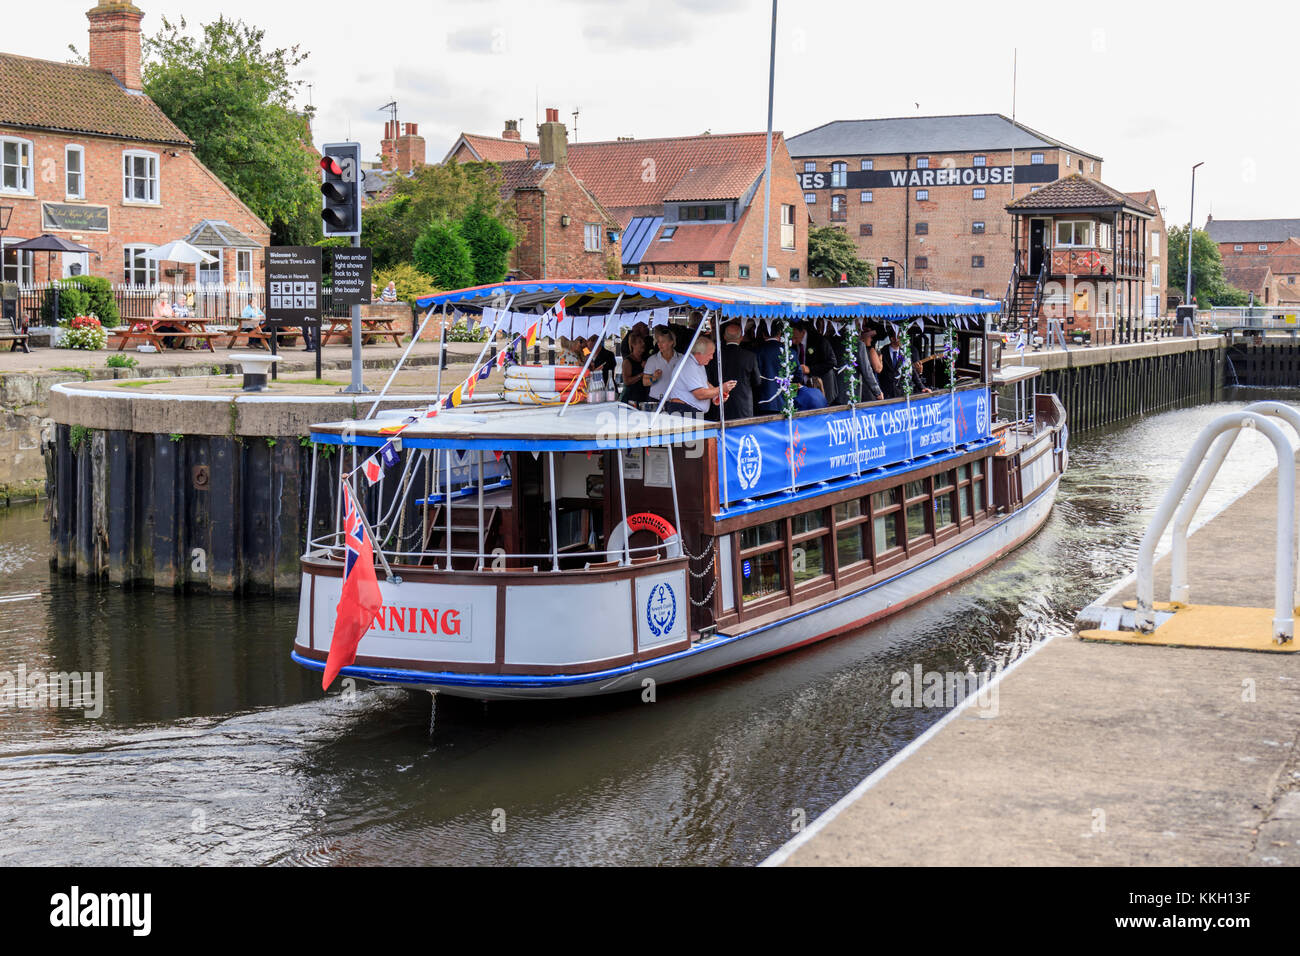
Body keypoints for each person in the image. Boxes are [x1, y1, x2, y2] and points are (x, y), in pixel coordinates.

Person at [664, 338, 733, 415]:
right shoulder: (689, 365)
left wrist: (716, 395)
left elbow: (704, 382)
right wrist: (721, 389)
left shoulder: (698, 363)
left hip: (689, 410)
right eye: (710, 354)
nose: (712, 357)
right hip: (684, 410)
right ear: (699, 353)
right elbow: (700, 394)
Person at [716, 320, 760, 420]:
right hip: (743, 404)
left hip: (720, 401)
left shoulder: (715, 356)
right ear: (741, 338)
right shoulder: (750, 356)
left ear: (724, 337)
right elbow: (757, 381)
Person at [791, 322, 838, 405]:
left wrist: (810, 369)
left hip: (822, 384)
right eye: (791, 338)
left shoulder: (819, 341)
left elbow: (832, 362)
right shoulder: (793, 345)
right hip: (804, 386)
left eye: (795, 337)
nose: (793, 341)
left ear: (803, 332)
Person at [755, 320, 786, 414]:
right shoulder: (790, 351)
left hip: (763, 401)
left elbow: (756, 378)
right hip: (786, 401)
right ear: (780, 333)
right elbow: (798, 376)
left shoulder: (757, 352)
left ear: (763, 334)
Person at [643, 325, 681, 403]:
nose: (659, 344)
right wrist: (654, 378)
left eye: (662, 342)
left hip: (676, 401)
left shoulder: (682, 359)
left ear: (671, 342)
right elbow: (645, 382)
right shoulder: (652, 359)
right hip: (656, 400)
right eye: (658, 341)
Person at [619, 333, 650, 405]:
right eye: (640, 342)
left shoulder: (645, 359)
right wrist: (642, 374)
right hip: (630, 398)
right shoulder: (628, 361)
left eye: (643, 341)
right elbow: (627, 381)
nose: (643, 344)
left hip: (643, 396)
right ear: (633, 344)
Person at [856, 326, 885, 402]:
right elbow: (878, 368)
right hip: (869, 385)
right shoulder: (870, 350)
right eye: (869, 337)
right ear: (863, 338)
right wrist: (880, 359)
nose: (871, 339)